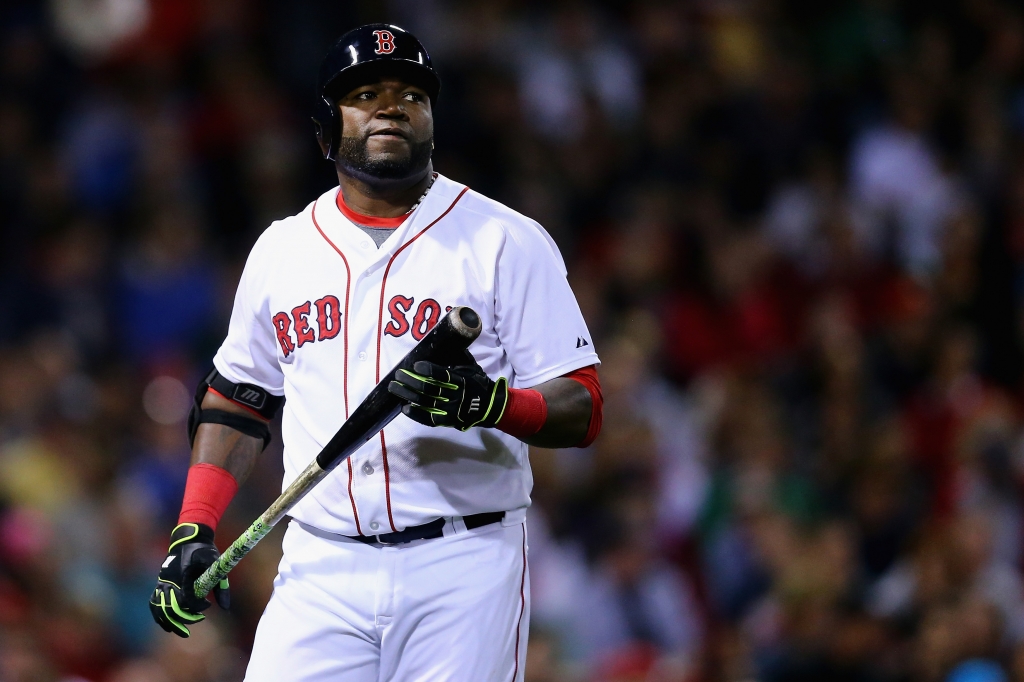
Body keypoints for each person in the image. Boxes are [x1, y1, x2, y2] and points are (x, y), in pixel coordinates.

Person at [148, 23, 603, 681]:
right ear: (325, 129)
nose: (391, 105)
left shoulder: (507, 240)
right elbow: (237, 399)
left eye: (410, 95)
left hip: (463, 563)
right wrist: (195, 526)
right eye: (365, 92)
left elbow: (583, 406)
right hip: (319, 566)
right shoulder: (283, 249)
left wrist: (492, 403)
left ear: (431, 122)